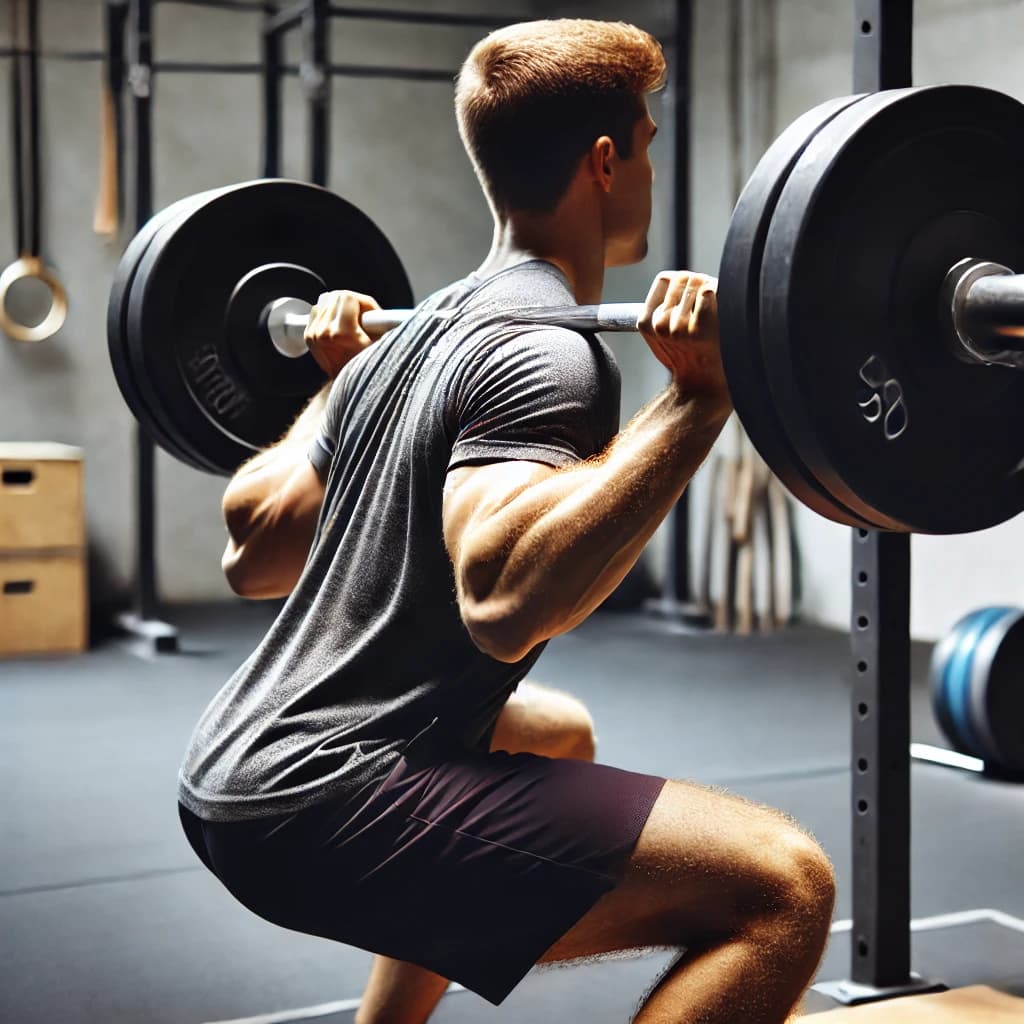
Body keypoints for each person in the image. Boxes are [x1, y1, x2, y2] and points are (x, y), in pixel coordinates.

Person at [177, 18, 835, 1024]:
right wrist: (696, 403)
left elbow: (253, 547)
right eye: (648, 142)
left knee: (555, 732)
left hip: (229, 770)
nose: (651, 165)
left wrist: (334, 387)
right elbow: (499, 597)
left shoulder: (415, 333)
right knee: (782, 889)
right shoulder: (546, 353)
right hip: (324, 805)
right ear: (607, 161)